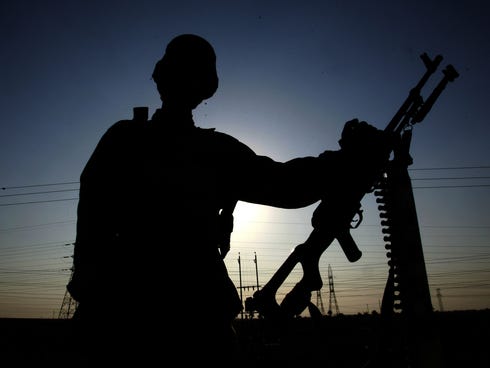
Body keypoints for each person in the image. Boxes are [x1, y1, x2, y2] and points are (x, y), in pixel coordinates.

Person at [66, 33, 390, 365]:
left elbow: (285, 184)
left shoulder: (133, 139)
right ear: (205, 87)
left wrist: (344, 161)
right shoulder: (190, 147)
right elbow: (286, 185)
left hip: (148, 318)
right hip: (155, 318)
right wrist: (345, 161)